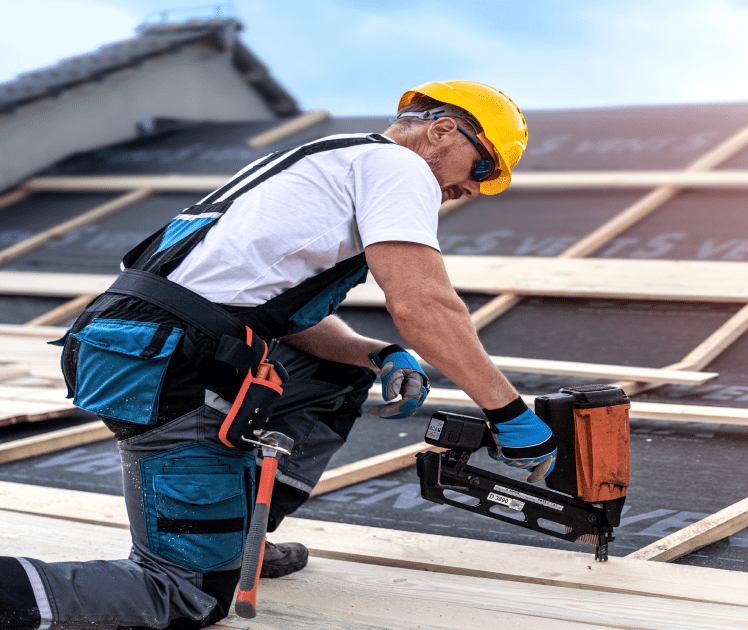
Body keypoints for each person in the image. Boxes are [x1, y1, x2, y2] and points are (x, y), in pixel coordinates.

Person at [0, 80, 557, 630]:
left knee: (340, 369)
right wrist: (508, 413)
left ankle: (238, 536)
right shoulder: (401, 169)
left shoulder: (325, 159)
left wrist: (378, 352)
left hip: (136, 340)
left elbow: (261, 304)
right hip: (166, 363)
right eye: (481, 169)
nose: (472, 189)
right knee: (185, 594)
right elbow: (423, 304)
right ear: (442, 130)